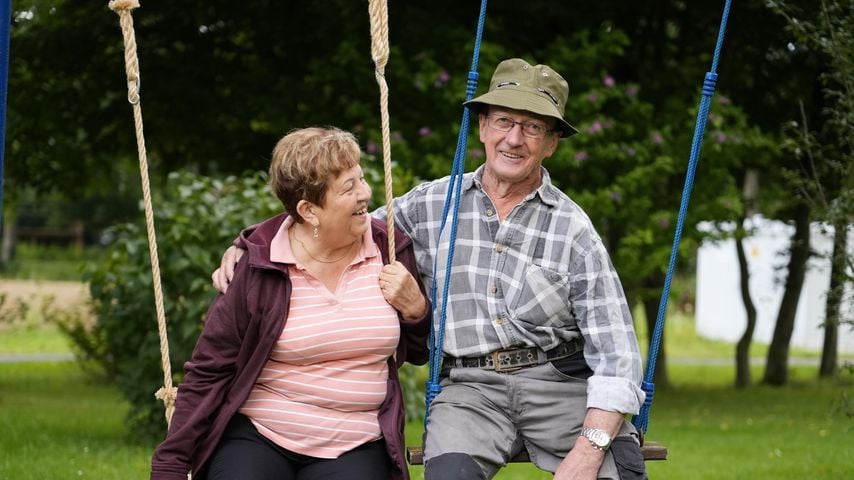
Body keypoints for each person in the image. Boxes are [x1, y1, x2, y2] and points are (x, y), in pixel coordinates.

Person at [213, 59, 647, 480]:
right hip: (470, 390)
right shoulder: (433, 204)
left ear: (551, 143)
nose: (514, 139)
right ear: (482, 127)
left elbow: (617, 355)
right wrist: (253, 243)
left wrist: (589, 450)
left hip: (560, 387)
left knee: (617, 472)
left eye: (533, 127)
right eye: (503, 122)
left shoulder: (574, 229)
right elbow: (339, 222)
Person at [151, 127, 431, 480]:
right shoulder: (260, 264)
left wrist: (417, 310)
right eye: (349, 187)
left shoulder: (390, 249)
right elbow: (210, 369)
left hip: (356, 443)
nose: (366, 193)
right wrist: (170, 464)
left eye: (361, 178)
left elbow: (420, 352)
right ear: (308, 210)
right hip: (260, 436)